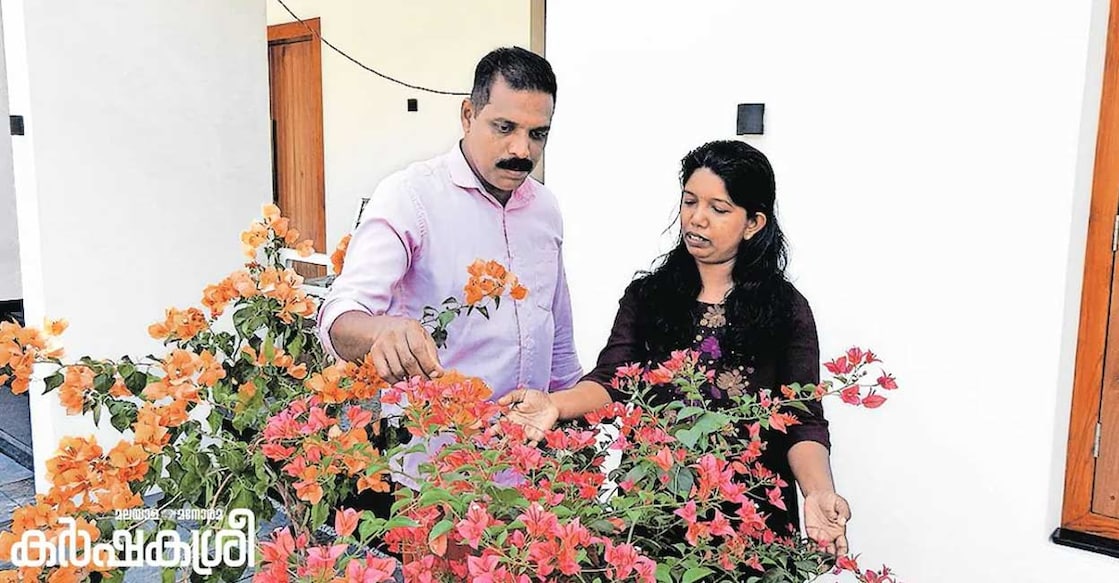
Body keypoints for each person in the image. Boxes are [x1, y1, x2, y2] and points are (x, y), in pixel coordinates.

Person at [500, 140, 851, 557]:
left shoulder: (785, 310)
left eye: (718, 209)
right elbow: (613, 381)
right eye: (689, 202)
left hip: (752, 526)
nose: (697, 219)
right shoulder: (650, 297)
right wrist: (555, 405)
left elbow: (802, 418)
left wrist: (818, 492)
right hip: (656, 515)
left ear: (753, 222)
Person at [317, 46, 582, 399]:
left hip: (528, 443)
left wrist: (572, 418)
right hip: (438, 446)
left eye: (538, 134)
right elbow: (341, 315)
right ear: (468, 115)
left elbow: (558, 334)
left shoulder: (545, 208)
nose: (522, 150)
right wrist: (381, 332)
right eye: (505, 128)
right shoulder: (410, 197)